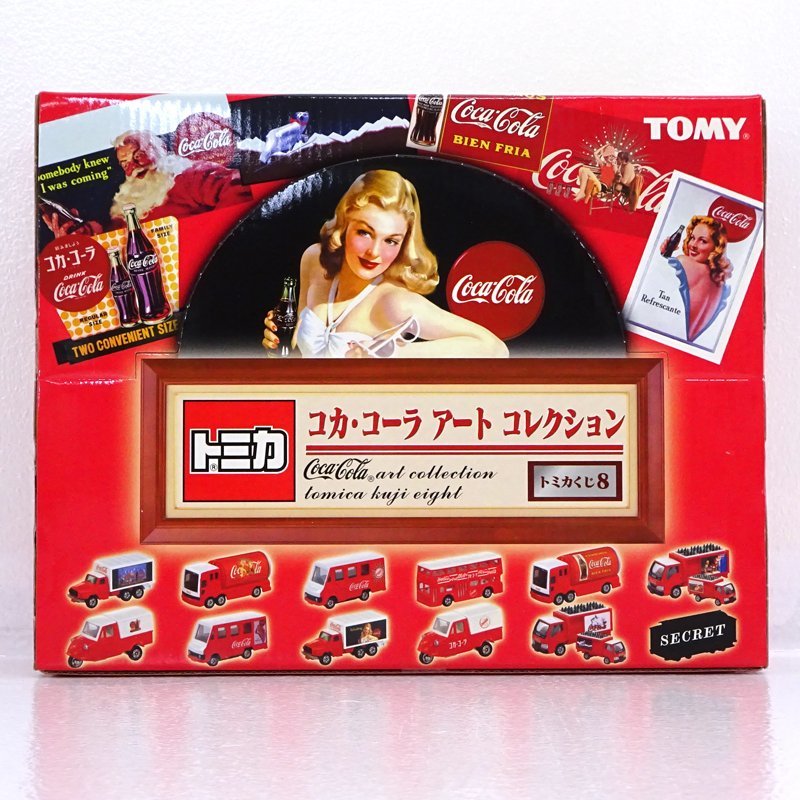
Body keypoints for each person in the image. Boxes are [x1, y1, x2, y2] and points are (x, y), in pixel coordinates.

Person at [262, 170, 509, 358]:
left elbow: (495, 348)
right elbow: (299, 345)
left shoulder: (394, 302)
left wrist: (393, 354)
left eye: (391, 241)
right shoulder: (314, 259)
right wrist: (275, 340)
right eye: (365, 233)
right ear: (345, 223)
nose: (374, 252)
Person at [41, 130, 252, 237]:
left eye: (138, 155)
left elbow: (238, 190)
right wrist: (85, 234)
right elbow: (115, 242)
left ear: (159, 149)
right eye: (125, 163)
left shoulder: (189, 175)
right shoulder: (126, 204)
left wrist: (205, 238)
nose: (133, 167)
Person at [660, 215, 732, 342]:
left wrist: (664, 254)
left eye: (703, 241)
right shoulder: (722, 286)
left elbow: (656, 273)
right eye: (692, 238)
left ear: (716, 247)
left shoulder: (684, 262)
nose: (692, 245)